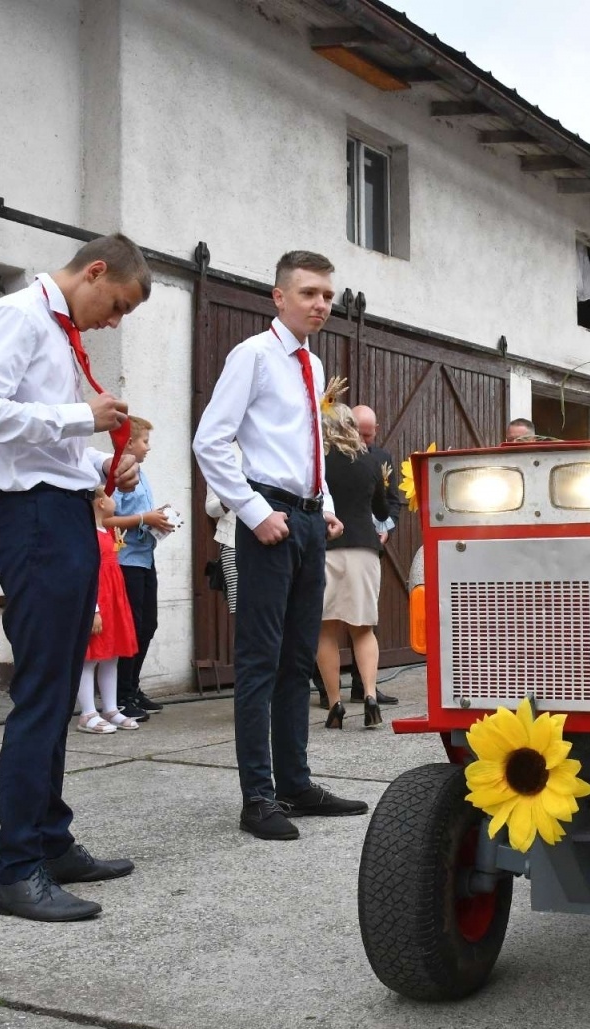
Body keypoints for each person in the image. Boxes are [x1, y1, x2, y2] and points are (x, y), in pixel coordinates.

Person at [0, 233, 148, 922]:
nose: (114, 320)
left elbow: (38, 438)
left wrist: (99, 461)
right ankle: (17, 868)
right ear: (94, 271)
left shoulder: (56, 327)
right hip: (32, 519)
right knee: (41, 692)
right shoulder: (17, 315)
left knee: (61, 685)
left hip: (60, 510)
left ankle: (51, 840)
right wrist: (77, 417)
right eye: (116, 303)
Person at [193, 250, 369, 842]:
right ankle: (258, 797)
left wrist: (328, 508)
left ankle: (295, 782)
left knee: (299, 659)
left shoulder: (313, 367)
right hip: (267, 519)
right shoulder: (254, 357)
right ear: (279, 297)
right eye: (309, 294)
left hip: (309, 522)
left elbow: (306, 446)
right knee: (260, 663)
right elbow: (210, 441)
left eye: (327, 295)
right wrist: (254, 511)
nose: (321, 304)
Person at [316, 403, 392, 730]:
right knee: (363, 629)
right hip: (363, 548)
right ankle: (371, 695)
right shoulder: (372, 462)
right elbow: (381, 507)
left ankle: (335, 703)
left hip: (326, 549)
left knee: (326, 629)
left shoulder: (317, 463)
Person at [109, 416, 173, 720]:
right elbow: (105, 520)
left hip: (146, 557)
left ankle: (133, 687)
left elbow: (143, 514)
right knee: (130, 627)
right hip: (126, 561)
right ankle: (120, 696)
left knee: (148, 624)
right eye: (144, 441)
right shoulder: (116, 477)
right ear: (129, 443)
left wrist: (159, 518)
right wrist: (144, 519)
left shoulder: (142, 474)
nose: (148, 447)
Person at [344, 404, 402, 706]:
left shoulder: (382, 459)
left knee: (364, 619)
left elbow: (392, 503)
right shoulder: (332, 458)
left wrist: (386, 528)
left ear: (376, 430)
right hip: (337, 543)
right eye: (359, 434)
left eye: (369, 434)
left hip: (370, 543)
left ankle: (362, 685)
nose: (365, 441)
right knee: (328, 620)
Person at [76, 488, 141, 734]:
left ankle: (111, 708)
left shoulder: (109, 529)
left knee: (111, 655)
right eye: (111, 496)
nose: (116, 500)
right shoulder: (87, 534)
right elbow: (87, 575)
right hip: (99, 600)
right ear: (102, 502)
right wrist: (93, 609)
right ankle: (87, 712)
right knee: (90, 657)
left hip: (114, 599)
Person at [204, 480, 239, 615]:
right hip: (232, 542)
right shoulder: (226, 461)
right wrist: (231, 500)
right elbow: (211, 508)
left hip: (271, 541)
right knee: (240, 608)